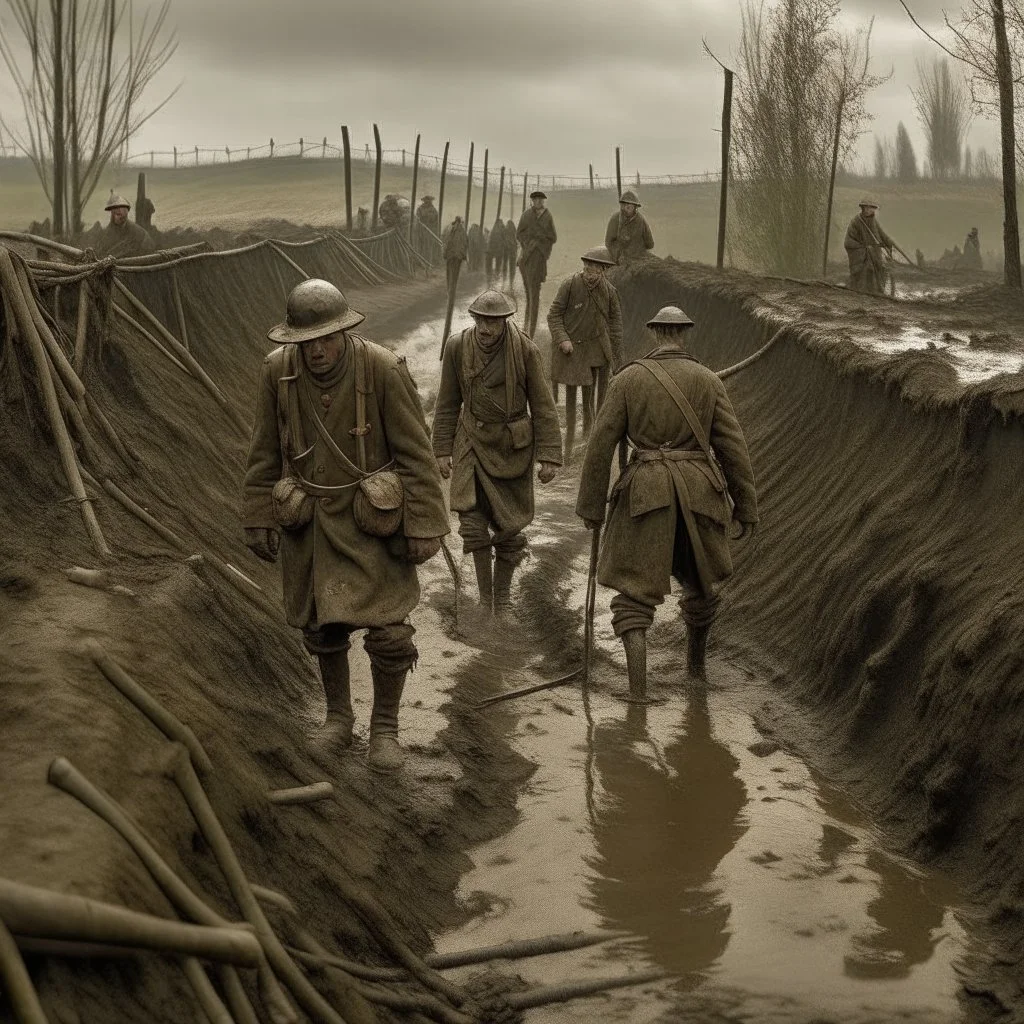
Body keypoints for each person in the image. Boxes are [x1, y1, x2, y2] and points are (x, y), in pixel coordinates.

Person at [241, 279, 449, 772]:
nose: (317, 351)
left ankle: (385, 729)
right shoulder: (276, 373)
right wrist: (256, 515)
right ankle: (338, 718)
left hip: (370, 522)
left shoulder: (382, 368)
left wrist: (424, 524)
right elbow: (264, 450)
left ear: (345, 331)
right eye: (306, 342)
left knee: (390, 632)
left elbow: (416, 455)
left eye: (327, 339)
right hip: (309, 524)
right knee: (321, 628)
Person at [575, 305, 758, 699]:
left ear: (656, 332)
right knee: (699, 587)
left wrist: (590, 508)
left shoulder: (628, 380)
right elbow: (733, 448)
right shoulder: (709, 380)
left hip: (646, 493)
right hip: (700, 497)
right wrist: (746, 506)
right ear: (683, 333)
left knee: (633, 596)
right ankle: (695, 674)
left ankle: (638, 692)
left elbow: (600, 444)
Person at [432, 290, 562, 616]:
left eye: (495, 321)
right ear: (474, 318)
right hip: (471, 442)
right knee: (473, 526)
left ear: (505, 321)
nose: (488, 328)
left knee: (509, 529)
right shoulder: (457, 347)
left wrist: (549, 455)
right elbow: (447, 403)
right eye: (482, 320)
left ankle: (502, 598)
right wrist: (441, 450)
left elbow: (543, 407)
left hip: (511, 447)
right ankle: (487, 601)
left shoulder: (526, 351)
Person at [546, 245, 623, 463]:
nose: (590, 272)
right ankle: (568, 447)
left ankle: (594, 444)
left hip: (599, 350)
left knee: (601, 401)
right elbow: (554, 315)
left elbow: (616, 327)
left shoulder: (610, 292)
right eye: (587, 266)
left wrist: (618, 359)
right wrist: (563, 339)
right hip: (574, 350)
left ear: (603, 270)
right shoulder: (570, 285)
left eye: (595, 268)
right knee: (572, 400)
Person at [516, 190, 557, 337]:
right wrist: (528, 242)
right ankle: (526, 324)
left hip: (539, 259)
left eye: (541, 199)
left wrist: (541, 240)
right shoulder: (526, 215)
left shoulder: (548, 216)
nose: (539, 202)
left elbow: (553, 237)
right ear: (532, 201)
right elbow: (518, 234)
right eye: (536, 199)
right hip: (526, 259)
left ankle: (531, 331)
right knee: (529, 293)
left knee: (535, 294)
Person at [844, 198, 896, 294]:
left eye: (870, 208)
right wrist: (864, 248)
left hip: (875, 253)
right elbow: (848, 241)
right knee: (865, 271)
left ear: (874, 209)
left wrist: (890, 242)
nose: (868, 210)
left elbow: (881, 234)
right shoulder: (856, 221)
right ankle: (861, 292)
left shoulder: (873, 221)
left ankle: (876, 292)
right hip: (862, 254)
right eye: (866, 207)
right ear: (862, 208)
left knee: (880, 269)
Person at [94, 194, 155, 258]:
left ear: (125, 213)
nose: (115, 215)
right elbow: (102, 250)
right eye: (114, 212)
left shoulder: (139, 233)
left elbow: (147, 252)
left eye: (118, 214)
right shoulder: (108, 232)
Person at [605, 189, 654, 265]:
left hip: (640, 258)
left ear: (635, 207)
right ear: (621, 206)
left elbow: (650, 243)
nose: (626, 207)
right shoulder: (615, 219)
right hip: (622, 259)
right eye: (624, 205)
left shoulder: (641, 220)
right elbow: (609, 242)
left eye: (629, 206)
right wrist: (618, 256)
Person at [442, 216, 469, 297]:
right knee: (455, 273)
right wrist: (463, 255)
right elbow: (465, 243)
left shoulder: (449, 228)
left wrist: (445, 253)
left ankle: (449, 289)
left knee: (449, 272)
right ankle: (452, 289)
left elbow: (445, 241)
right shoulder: (462, 230)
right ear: (460, 221)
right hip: (458, 256)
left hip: (450, 255)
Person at [485, 215, 505, 288]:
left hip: (492, 251)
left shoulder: (493, 230)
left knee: (492, 267)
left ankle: (490, 280)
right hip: (496, 251)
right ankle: (495, 278)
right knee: (497, 266)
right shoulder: (500, 229)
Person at [504, 218, 518, 292]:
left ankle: (506, 283)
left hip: (507, 251)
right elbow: (516, 242)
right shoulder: (514, 232)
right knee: (512, 268)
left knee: (506, 266)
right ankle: (511, 283)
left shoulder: (505, 232)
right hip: (512, 251)